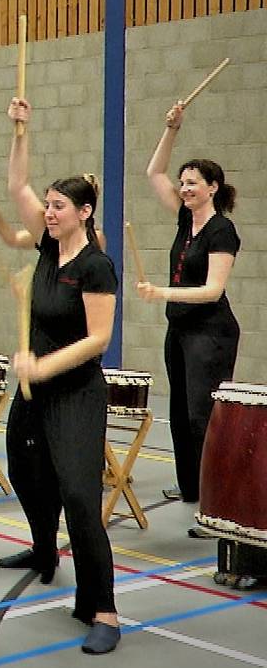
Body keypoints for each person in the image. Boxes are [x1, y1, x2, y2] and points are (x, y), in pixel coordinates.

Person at [4, 97, 120, 655]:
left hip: (74, 392)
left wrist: (42, 365)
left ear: (84, 211)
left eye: (58, 206)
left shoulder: (95, 265)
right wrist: (21, 131)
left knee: (78, 494)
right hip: (34, 393)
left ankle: (104, 609)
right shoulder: (49, 248)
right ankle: (43, 550)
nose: (48, 213)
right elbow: (16, 188)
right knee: (26, 474)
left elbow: (99, 341)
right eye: (48, 206)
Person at [141, 102, 240, 513]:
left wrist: (162, 293)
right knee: (181, 414)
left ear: (213, 187)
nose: (184, 189)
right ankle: (192, 491)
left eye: (193, 183)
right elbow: (153, 173)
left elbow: (213, 290)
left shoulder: (222, 230)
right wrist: (172, 130)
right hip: (179, 332)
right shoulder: (186, 220)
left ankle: (218, 500)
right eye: (183, 183)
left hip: (210, 334)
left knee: (204, 417)